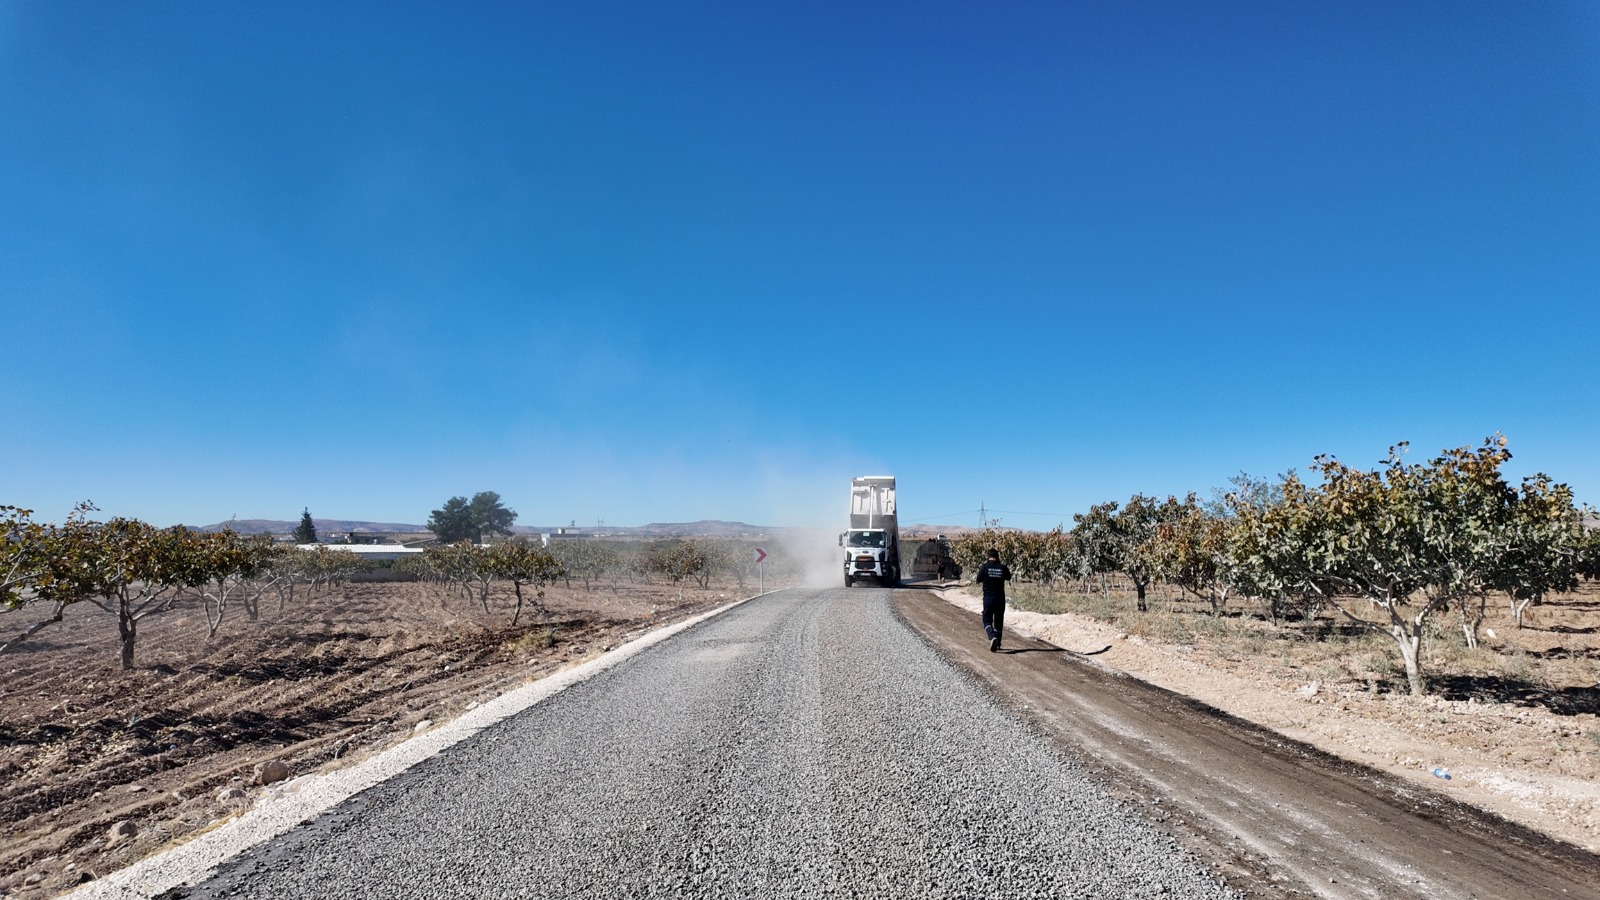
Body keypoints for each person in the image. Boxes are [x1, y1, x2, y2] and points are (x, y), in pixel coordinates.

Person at [974, 548, 1012, 652]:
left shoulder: (985, 567)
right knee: (998, 621)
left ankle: (992, 636)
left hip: (988, 598)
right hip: (1000, 598)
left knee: (986, 620)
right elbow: (1009, 577)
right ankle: (998, 643)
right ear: (997, 556)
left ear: (988, 556)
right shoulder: (1002, 567)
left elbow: (978, 579)